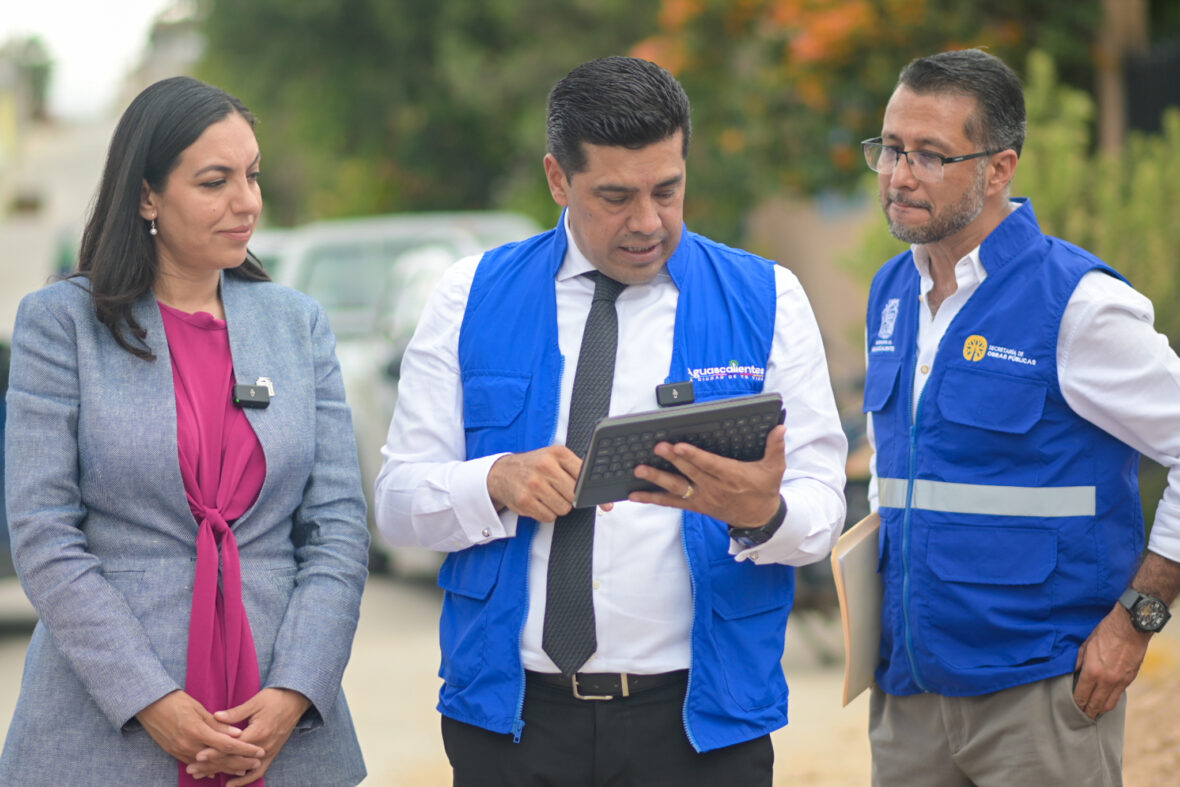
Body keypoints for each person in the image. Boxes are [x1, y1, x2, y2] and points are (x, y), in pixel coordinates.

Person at [374, 56, 847, 786]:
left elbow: (822, 505)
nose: (648, 222)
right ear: (558, 180)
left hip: (702, 722)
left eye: (668, 190)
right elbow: (398, 504)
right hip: (512, 720)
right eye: (616, 197)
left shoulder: (768, 298)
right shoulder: (469, 295)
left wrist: (762, 511)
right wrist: (495, 479)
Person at [0, 76, 369, 786]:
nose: (247, 201)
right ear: (147, 195)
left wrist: (297, 689)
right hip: (106, 730)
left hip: (277, 726)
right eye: (214, 181)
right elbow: (43, 530)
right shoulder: (60, 325)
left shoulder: (298, 324)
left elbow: (339, 528)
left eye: (253, 176)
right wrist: (150, 699)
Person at [861, 48, 1180, 786]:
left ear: (999, 168)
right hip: (909, 692)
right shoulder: (892, 292)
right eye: (891, 148)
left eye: (931, 155)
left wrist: (1138, 620)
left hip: (1042, 692)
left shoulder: (1078, 303)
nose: (900, 174)